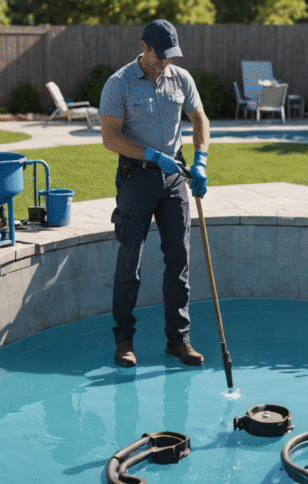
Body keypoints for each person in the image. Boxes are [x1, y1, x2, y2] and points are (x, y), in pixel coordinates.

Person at [99, 19, 211, 368]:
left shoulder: (181, 79)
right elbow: (110, 138)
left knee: (179, 259)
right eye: (160, 55)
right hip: (137, 177)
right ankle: (124, 341)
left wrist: (201, 160)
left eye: (170, 56)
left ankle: (179, 341)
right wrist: (151, 155)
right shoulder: (118, 84)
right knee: (130, 262)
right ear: (144, 47)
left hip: (175, 177)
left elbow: (200, 119)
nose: (166, 62)